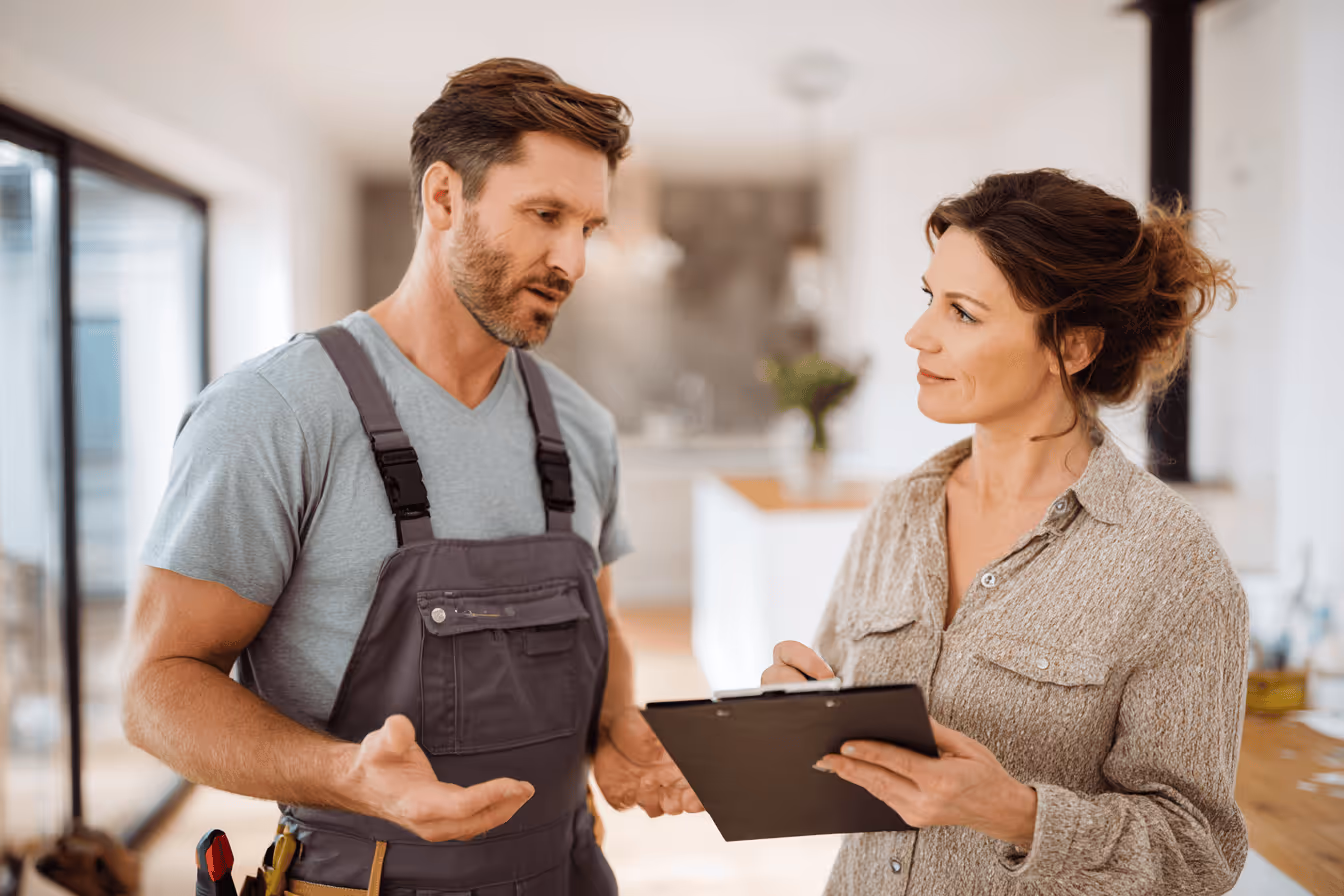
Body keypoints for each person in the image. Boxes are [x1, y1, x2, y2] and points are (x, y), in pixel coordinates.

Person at [122, 58, 700, 896]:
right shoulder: (277, 412)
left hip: (569, 870)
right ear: (442, 199)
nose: (571, 260)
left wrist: (615, 724)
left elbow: (601, 626)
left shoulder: (580, 425)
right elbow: (155, 687)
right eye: (544, 215)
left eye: (589, 228)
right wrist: (346, 774)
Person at [763, 169, 1248, 895]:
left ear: (1074, 345)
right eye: (930, 299)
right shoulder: (899, 513)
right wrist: (793, 713)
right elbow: (842, 732)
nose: (917, 334)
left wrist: (1018, 815)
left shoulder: (1172, 563)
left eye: (963, 313)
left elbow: (1198, 854)